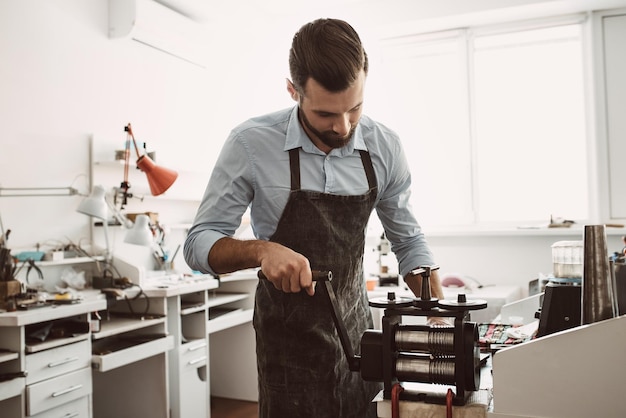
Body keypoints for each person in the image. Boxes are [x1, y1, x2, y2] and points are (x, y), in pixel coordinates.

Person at [184, 17, 445, 418]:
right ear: (293, 90)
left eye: (355, 109)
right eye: (326, 114)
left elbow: (409, 242)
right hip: (287, 347)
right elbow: (199, 242)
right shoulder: (250, 144)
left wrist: (434, 305)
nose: (343, 127)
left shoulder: (385, 147)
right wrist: (262, 251)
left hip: (360, 336)